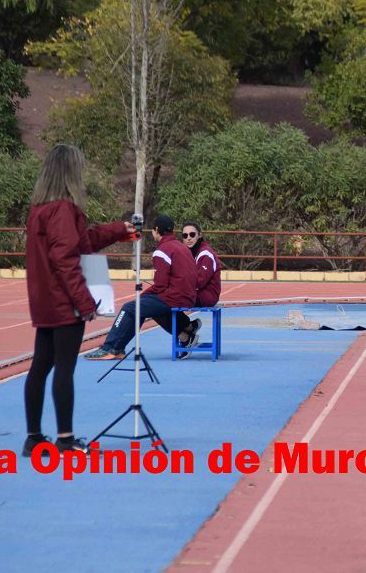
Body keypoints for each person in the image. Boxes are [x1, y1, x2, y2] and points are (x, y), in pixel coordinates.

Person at [23, 144, 134, 457]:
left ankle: (33, 437)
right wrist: (85, 303)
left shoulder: (40, 210)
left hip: (44, 300)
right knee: (63, 369)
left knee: (40, 367)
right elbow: (67, 258)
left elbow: (80, 240)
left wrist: (116, 231)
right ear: (71, 173)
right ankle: (65, 438)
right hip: (64, 302)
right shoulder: (63, 209)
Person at [84, 214, 196, 360]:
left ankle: (109, 347)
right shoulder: (182, 248)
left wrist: (142, 296)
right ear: (173, 230)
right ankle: (186, 329)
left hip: (174, 297)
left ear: (155, 230)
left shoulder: (162, 251)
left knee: (130, 307)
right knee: (145, 307)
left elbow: (160, 285)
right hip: (187, 296)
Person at [155, 221, 222, 358]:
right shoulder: (188, 253)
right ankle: (188, 327)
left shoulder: (205, 254)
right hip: (193, 293)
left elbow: (199, 281)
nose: (189, 238)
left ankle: (186, 336)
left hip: (205, 296)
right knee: (160, 303)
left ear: (200, 235)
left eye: (192, 234)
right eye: (185, 236)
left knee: (158, 305)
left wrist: (173, 288)